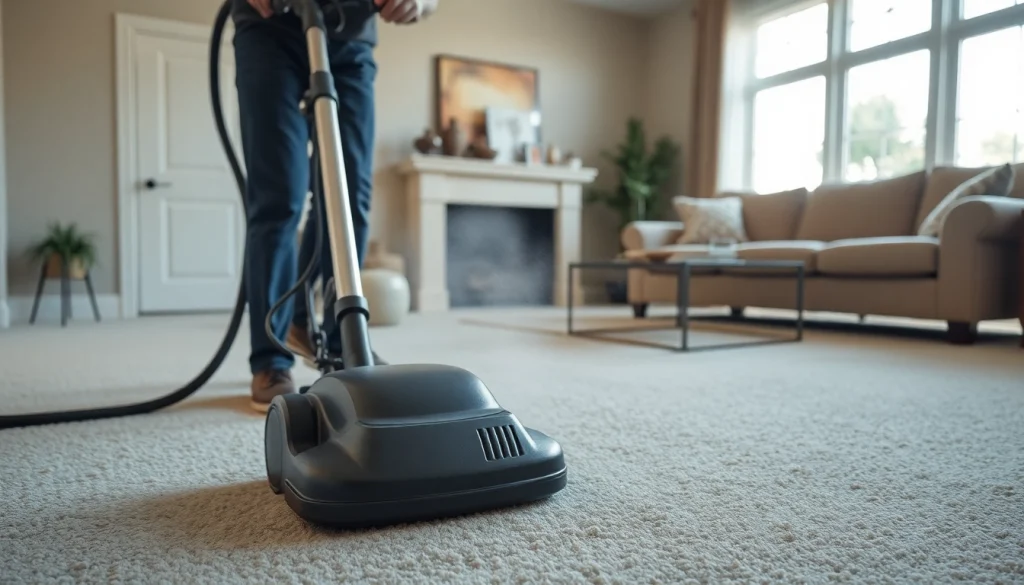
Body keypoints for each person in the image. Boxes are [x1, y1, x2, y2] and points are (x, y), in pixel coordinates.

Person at [231, 0, 438, 412]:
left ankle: (339, 343)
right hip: (271, 29)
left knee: (349, 195)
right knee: (280, 198)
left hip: (350, 39)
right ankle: (271, 358)